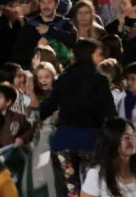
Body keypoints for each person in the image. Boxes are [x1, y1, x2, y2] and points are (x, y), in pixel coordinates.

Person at [38, 38, 117, 196]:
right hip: (92, 141)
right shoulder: (100, 80)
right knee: (91, 188)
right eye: (98, 54)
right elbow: (110, 112)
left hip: (64, 141)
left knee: (71, 188)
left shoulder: (64, 78)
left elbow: (48, 106)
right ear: (90, 55)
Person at [81, 118, 136, 197]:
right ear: (112, 140)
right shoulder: (96, 174)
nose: (131, 140)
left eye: (133, 135)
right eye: (126, 137)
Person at [0, 82, 34, 148]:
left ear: (8, 101)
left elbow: (30, 130)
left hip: (13, 152)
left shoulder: (19, 117)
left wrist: (22, 138)